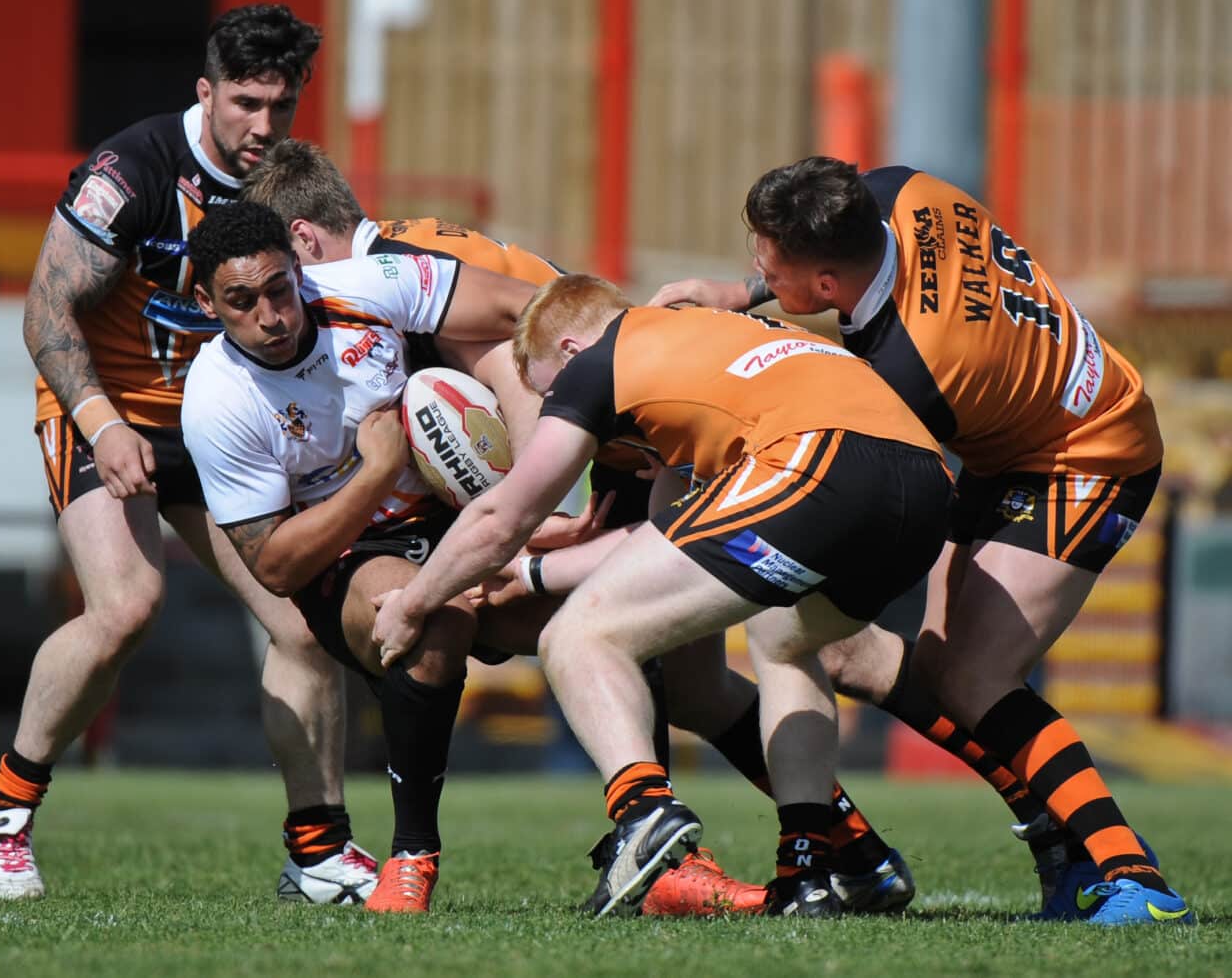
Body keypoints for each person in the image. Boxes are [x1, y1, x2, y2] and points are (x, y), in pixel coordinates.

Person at [243, 141, 918, 916]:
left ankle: (665, 850)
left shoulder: (382, 272)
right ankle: (852, 848)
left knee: (601, 638)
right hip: (639, 434)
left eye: (284, 272)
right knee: (691, 680)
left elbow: (515, 344)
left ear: (302, 239)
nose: (287, 298)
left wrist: (532, 516)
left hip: (626, 440)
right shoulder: (408, 244)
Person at [650, 156, 1194, 926]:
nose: (756, 268)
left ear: (828, 286)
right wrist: (741, 296)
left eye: (766, 263)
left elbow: (866, 465)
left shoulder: (914, 368)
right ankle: (1059, 843)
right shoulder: (894, 189)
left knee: (977, 675)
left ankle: (1135, 876)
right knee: (939, 669)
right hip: (1016, 430)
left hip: (1090, 451)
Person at [374, 274, 953, 917]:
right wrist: (531, 576)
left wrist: (414, 601)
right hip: (923, 488)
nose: (558, 408)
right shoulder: (707, 345)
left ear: (570, 351)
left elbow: (500, 520)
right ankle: (821, 867)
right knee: (785, 643)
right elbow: (665, 540)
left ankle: (642, 810)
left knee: (579, 637)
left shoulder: (598, 364)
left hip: (822, 468)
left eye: (549, 394)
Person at [0, 5, 376, 908]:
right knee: (128, 604)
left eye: (283, 104)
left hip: (216, 423)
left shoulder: (287, 184)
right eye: (245, 103)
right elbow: (45, 312)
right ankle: (7, 812)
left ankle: (318, 853)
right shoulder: (134, 168)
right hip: (101, 406)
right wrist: (104, 424)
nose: (263, 127)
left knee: (300, 625)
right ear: (206, 92)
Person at [181, 200, 557, 912]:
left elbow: (524, 312)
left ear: (298, 268)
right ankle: (412, 857)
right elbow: (278, 566)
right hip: (347, 556)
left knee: (605, 612)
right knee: (429, 622)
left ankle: (697, 834)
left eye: (279, 289)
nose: (271, 314)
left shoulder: (369, 284)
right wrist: (376, 471)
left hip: (458, 516)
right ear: (205, 302)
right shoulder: (215, 399)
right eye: (241, 301)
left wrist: (533, 481)